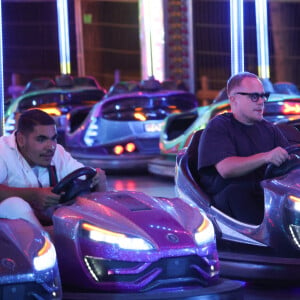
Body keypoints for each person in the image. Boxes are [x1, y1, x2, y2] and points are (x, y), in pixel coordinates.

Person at [197, 72, 290, 224]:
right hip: (231, 197)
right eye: (254, 96)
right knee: (238, 192)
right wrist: (266, 156)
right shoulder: (219, 126)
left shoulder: (270, 129)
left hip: (264, 195)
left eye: (263, 96)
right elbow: (226, 169)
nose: (261, 102)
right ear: (234, 99)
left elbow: (290, 159)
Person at [0, 109, 107, 228]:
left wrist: (99, 180)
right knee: (15, 205)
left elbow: (83, 176)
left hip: (43, 225)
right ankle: (47, 241)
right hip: (6, 236)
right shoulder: (3, 151)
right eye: (41, 139)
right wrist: (33, 195)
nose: (51, 146)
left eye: (53, 138)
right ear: (21, 140)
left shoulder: (58, 152)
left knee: (81, 202)